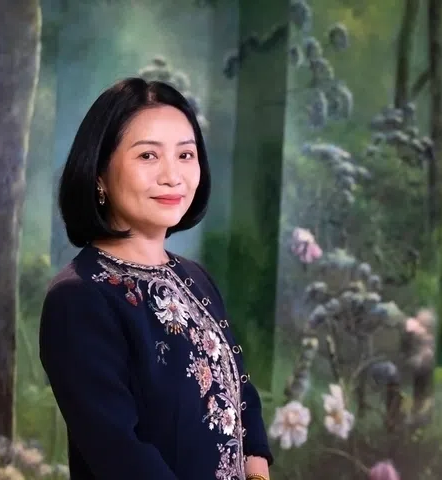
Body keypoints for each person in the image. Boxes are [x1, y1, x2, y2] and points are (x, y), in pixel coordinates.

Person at [39, 77, 273, 480]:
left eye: (185, 155)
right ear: (99, 174)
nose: (172, 175)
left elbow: (241, 391)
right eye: (148, 155)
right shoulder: (78, 297)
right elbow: (119, 452)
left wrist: (256, 470)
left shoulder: (196, 277)